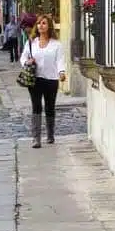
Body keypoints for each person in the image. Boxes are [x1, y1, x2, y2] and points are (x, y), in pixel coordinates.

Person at [21, 14, 67, 147]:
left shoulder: (56, 45)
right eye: (39, 23)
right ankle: (36, 138)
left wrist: (61, 72)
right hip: (35, 79)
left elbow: (59, 60)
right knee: (36, 106)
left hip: (51, 79)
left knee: (50, 106)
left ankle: (50, 134)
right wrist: (27, 62)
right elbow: (23, 57)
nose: (41, 25)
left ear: (49, 26)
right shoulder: (31, 43)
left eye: (44, 23)